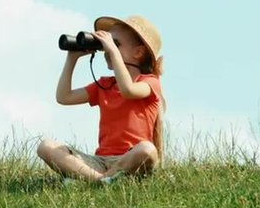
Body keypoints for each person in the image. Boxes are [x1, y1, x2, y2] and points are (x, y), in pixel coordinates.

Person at [37, 15, 166, 184]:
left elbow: (128, 90)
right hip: (100, 161)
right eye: (106, 44)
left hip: (130, 159)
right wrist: (72, 59)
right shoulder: (105, 85)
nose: (106, 49)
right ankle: (102, 180)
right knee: (46, 146)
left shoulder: (149, 82)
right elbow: (64, 97)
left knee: (147, 150)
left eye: (116, 43)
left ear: (138, 52)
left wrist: (112, 50)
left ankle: (89, 178)